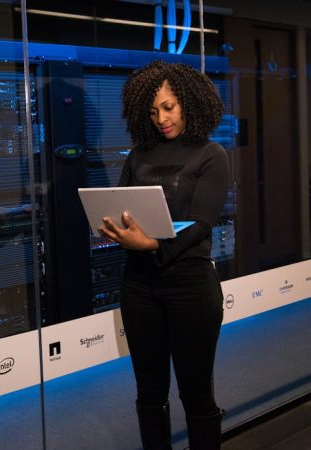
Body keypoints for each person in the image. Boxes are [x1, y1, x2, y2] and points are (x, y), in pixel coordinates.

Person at [98, 60, 229, 450]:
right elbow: (119, 204)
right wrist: (115, 229)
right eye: (153, 111)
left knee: (196, 393)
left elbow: (201, 223)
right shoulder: (138, 154)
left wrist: (152, 244)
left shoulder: (211, 154)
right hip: (139, 286)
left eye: (169, 107)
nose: (161, 118)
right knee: (149, 393)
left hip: (191, 286)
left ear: (189, 102)